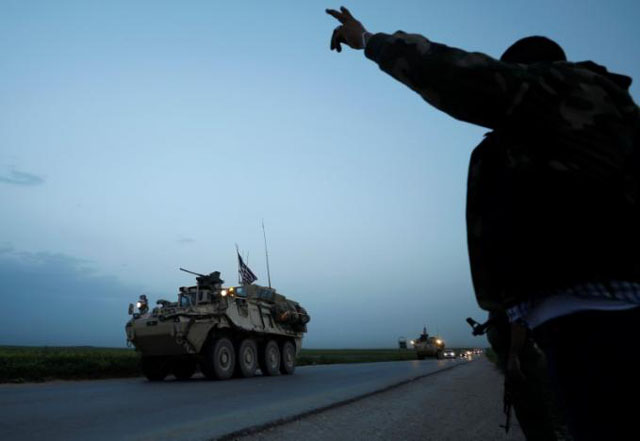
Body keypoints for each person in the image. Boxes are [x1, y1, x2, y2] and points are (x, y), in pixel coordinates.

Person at [326, 6, 640, 441]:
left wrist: (370, 40)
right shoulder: (595, 121)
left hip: (597, 320)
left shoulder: (566, 93)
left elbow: (462, 77)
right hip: (577, 318)